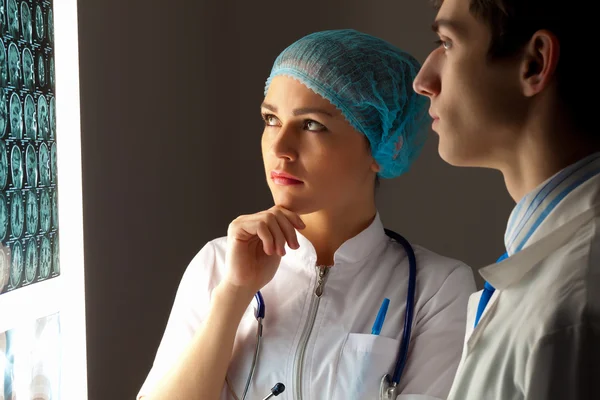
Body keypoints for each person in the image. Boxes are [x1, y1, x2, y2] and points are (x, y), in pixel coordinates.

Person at [138, 29, 476, 400]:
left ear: (384, 144)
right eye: (270, 119)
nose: (280, 147)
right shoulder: (216, 265)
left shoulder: (436, 289)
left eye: (312, 124)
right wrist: (234, 294)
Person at [413, 0, 600, 399]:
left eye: (447, 43)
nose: (423, 79)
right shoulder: (550, 270)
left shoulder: (572, 311)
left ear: (533, 63)